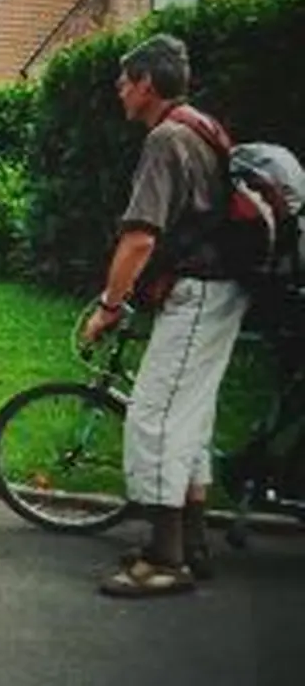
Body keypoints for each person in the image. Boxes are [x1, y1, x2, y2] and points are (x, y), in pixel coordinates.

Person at [82, 33, 249, 598]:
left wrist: (109, 307)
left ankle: (164, 559)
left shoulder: (166, 139)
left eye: (125, 82)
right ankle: (193, 545)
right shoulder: (203, 127)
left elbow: (139, 238)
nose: (120, 91)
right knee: (190, 420)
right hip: (221, 290)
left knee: (153, 417)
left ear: (147, 84)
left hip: (197, 292)